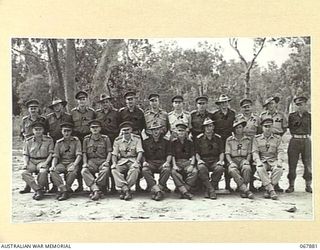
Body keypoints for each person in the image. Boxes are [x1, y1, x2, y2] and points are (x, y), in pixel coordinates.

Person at [260, 96, 288, 193]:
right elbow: (260, 128)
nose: (270, 106)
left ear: (275, 104)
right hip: (266, 138)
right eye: (268, 104)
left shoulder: (281, 115)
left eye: (272, 103)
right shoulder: (263, 115)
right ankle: (264, 184)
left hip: (277, 138)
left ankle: (275, 185)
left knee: (277, 161)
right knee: (264, 160)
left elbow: (285, 127)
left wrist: (278, 135)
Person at [252, 117, 284, 200]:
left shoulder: (277, 138)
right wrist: (258, 161)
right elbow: (255, 152)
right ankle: (272, 190)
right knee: (260, 168)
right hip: (262, 160)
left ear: (272, 127)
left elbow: (280, 151)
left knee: (279, 169)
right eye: (265, 126)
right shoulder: (256, 138)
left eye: (269, 126)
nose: (267, 129)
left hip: (273, 160)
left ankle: (269, 189)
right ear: (262, 127)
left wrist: (280, 161)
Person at [19, 99, 47, 194]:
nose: (33, 110)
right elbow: (22, 133)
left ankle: (41, 186)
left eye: (35, 108)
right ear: (28, 110)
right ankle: (28, 186)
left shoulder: (42, 119)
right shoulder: (25, 120)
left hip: (40, 143)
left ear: (38, 109)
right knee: (26, 167)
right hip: (29, 144)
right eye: (31, 108)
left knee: (42, 168)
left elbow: (46, 132)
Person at [21, 121, 54, 200]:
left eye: (40, 129)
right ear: (33, 130)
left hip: (43, 160)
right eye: (36, 129)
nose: (38, 131)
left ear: (43, 130)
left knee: (43, 171)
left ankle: (41, 188)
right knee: (24, 173)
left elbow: (51, 153)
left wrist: (46, 163)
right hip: (32, 161)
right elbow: (26, 154)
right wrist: (25, 164)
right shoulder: (28, 141)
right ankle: (38, 190)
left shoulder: (49, 140)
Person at [111, 121, 144, 200]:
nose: (126, 132)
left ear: (131, 130)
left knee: (135, 169)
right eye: (124, 130)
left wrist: (137, 162)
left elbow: (140, 152)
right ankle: (126, 190)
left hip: (133, 159)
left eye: (128, 130)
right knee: (114, 169)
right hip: (122, 160)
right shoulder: (117, 140)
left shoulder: (137, 138)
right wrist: (114, 163)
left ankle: (125, 189)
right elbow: (114, 154)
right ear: (121, 131)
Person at [71, 90, 96, 193]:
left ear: (87, 100)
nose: (82, 101)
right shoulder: (73, 112)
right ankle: (80, 185)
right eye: (80, 99)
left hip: (88, 138)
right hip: (77, 139)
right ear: (77, 101)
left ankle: (93, 185)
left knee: (90, 160)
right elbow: (70, 126)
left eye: (83, 99)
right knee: (79, 161)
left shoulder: (92, 112)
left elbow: (95, 125)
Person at [50, 122, 82, 201]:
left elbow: (79, 155)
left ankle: (66, 189)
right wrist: (53, 165)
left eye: (68, 131)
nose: (66, 133)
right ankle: (64, 189)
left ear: (71, 131)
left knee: (72, 172)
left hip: (72, 162)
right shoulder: (58, 142)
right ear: (61, 131)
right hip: (62, 163)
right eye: (64, 131)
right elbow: (55, 156)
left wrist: (74, 165)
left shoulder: (76, 141)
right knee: (53, 171)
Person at [46, 98, 72, 193]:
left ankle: (69, 185)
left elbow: (71, 128)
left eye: (58, 105)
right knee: (53, 163)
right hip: (53, 142)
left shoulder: (68, 116)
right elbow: (45, 131)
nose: (57, 107)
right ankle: (54, 185)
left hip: (66, 141)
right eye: (55, 106)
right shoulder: (49, 118)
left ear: (62, 106)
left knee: (68, 161)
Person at [81, 120, 112, 201]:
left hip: (102, 160)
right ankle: (97, 190)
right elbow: (84, 153)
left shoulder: (105, 138)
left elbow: (109, 151)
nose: (95, 129)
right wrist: (85, 163)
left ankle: (95, 189)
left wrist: (107, 162)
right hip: (91, 161)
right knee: (84, 171)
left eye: (96, 127)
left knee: (105, 170)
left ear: (100, 128)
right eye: (92, 127)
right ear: (90, 129)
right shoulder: (86, 139)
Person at [286, 96, 312, 193]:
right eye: (297, 105)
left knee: (308, 163)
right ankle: (291, 185)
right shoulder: (292, 116)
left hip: (306, 140)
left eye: (301, 104)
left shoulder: (310, 116)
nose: (299, 107)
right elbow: (290, 128)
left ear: (305, 104)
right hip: (295, 140)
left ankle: (308, 185)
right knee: (292, 163)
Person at [141, 122, 172, 201]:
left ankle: (159, 188)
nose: (156, 131)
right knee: (144, 170)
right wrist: (144, 162)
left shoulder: (166, 141)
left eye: (157, 129)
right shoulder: (145, 142)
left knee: (167, 169)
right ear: (151, 131)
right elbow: (143, 154)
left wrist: (167, 162)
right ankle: (158, 190)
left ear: (161, 130)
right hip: (150, 162)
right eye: (153, 129)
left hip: (162, 162)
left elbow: (169, 153)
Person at [195, 118, 224, 199]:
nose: (208, 128)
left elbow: (222, 151)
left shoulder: (218, 138)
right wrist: (199, 160)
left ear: (213, 127)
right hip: (204, 160)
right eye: (206, 126)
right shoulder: (199, 138)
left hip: (215, 160)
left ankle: (209, 189)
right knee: (201, 168)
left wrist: (220, 161)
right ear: (204, 128)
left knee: (220, 168)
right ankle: (211, 190)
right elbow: (196, 152)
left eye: (210, 126)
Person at [225, 117, 254, 199]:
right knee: (232, 169)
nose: (238, 130)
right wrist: (231, 162)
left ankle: (242, 188)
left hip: (243, 159)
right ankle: (245, 190)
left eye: (240, 127)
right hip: (233, 159)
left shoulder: (248, 140)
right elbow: (227, 154)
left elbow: (249, 153)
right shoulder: (229, 140)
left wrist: (247, 161)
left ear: (243, 128)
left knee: (247, 168)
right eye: (236, 128)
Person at [212, 94, 236, 191]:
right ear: (219, 104)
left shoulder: (232, 114)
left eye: (226, 102)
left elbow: (234, 126)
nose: (224, 104)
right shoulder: (215, 115)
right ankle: (216, 184)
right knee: (219, 161)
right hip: (218, 140)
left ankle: (228, 184)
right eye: (222, 103)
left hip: (229, 139)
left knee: (228, 162)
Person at [237, 98, 261, 192]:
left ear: (251, 107)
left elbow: (259, 131)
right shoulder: (238, 118)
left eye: (248, 107)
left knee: (253, 164)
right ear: (241, 108)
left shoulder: (256, 118)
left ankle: (251, 185)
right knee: (244, 163)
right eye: (244, 107)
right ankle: (242, 185)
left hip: (253, 143)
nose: (246, 109)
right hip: (242, 143)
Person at [171, 123, 197, 200]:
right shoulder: (173, 142)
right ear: (176, 132)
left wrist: (192, 165)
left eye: (183, 131)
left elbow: (193, 155)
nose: (181, 133)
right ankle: (186, 192)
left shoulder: (190, 142)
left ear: (186, 132)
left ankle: (183, 190)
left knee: (195, 172)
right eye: (179, 131)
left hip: (187, 162)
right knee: (173, 172)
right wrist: (174, 165)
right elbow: (172, 155)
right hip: (177, 162)